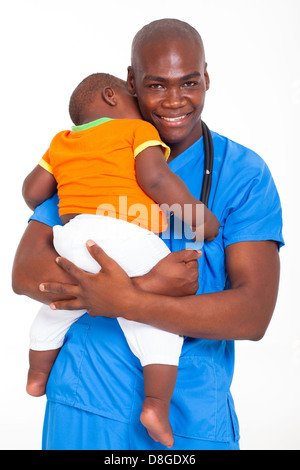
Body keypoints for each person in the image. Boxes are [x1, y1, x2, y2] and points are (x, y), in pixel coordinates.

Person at [12, 19, 284, 450]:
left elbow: (252, 315)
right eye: (157, 86)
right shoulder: (94, 152)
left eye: (189, 82)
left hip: (189, 420)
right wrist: (145, 289)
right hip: (83, 407)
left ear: (207, 78)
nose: (175, 100)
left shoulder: (243, 174)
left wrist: (128, 301)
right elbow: (26, 273)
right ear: (131, 83)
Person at [22, 72, 219, 448]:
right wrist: (199, 219)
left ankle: (36, 374)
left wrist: (72, 192)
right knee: (160, 313)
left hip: (73, 236)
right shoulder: (135, 131)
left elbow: (33, 191)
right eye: (135, 97)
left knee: (56, 309)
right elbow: (157, 179)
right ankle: (157, 405)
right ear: (113, 97)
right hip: (128, 236)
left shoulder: (62, 141)